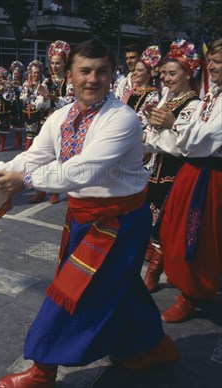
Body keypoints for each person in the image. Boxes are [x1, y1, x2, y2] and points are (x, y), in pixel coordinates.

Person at [0, 40, 178, 388]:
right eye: (85, 71)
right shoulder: (60, 116)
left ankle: (42, 370)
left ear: (111, 76)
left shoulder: (121, 118)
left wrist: (25, 180)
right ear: (68, 74)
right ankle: (154, 344)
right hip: (82, 216)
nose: (93, 79)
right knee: (119, 284)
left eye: (102, 71)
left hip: (118, 222)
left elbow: (83, 172)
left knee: (72, 290)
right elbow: (34, 157)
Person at [143, 38, 220, 323]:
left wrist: (171, 125)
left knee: (192, 235)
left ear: (188, 74)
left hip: (198, 173)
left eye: (217, 62)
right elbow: (164, 140)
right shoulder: (209, 98)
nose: (210, 67)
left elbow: (193, 143)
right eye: (210, 61)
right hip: (179, 170)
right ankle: (187, 285)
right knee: (173, 231)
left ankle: (187, 290)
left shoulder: (197, 101)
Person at [142, 39, 202, 294]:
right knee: (153, 220)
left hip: (177, 173)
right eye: (163, 73)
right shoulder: (167, 101)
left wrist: (157, 134)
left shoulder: (194, 106)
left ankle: (156, 271)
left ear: (188, 74)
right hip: (157, 170)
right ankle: (155, 266)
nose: (165, 78)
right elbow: (155, 137)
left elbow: (179, 146)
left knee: (167, 225)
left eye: (172, 73)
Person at [37, 40, 76, 204]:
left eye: (58, 63)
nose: (54, 66)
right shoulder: (46, 81)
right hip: (46, 122)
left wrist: (56, 98)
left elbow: (71, 103)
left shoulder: (70, 81)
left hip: (63, 123)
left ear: (64, 62)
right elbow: (39, 104)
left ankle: (55, 190)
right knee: (43, 157)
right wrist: (44, 97)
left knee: (59, 157)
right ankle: (40, 190)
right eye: (52, 63)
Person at [22, 60, 50, 204]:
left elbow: (41, 105)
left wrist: (37, 95)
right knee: (30, 150)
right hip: (30, 119)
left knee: (42, 154)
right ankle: (31, 182)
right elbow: (23, 99)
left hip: (42, 120)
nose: (36, 75)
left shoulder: (44, 85)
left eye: (38, 73)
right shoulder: (27, 85)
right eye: (34, 73)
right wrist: (27, 91)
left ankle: (44, 189)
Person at [123, 46, 162, 129]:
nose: (135, 73)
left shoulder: (153, 94)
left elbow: (143, 120)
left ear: (149, 74)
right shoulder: (132, 90)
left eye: (140, 70)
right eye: (135, 70)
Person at [9, 61, 26, 150]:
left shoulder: (24, 82)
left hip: (20, 103)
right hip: (12, 104)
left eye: (17, 73)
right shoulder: (10, 82)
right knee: (14, 122)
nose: (16, 75)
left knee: (19, 122)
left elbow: (24, 91)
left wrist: (18, 88)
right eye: (14, 73)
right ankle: (17, 142)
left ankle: (18, 142)